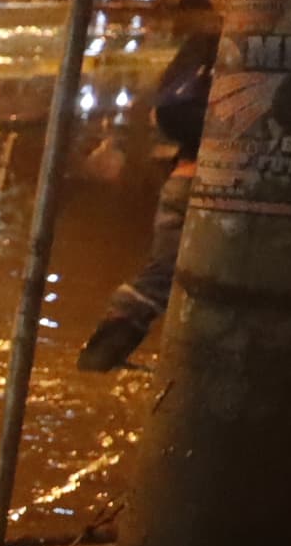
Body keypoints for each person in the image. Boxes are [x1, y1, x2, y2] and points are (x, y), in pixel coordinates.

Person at [78, 22, 218, 370]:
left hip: (183, 179)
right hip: (217, 190)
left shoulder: (208, 43)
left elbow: (161, 107)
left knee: (162, 277)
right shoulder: (255, 53)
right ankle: (99, 360)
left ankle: (99, 359)